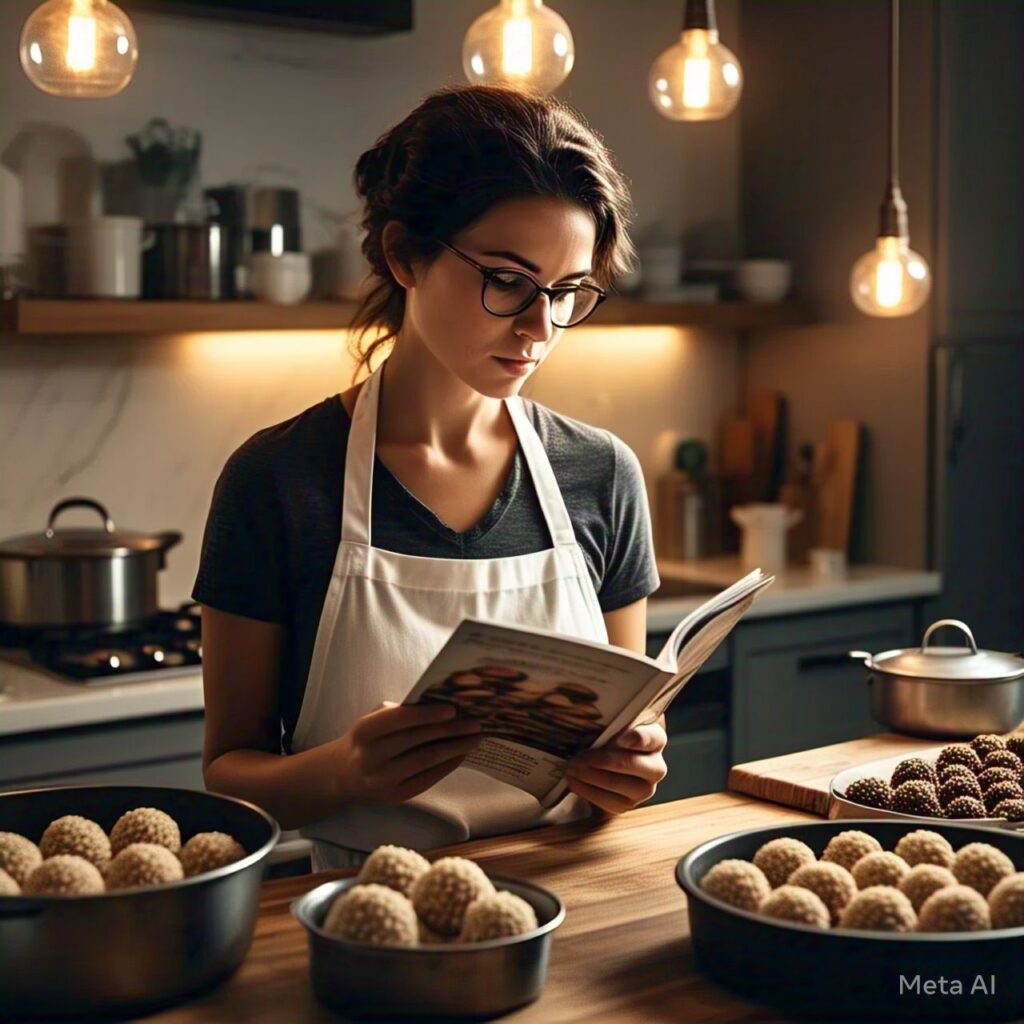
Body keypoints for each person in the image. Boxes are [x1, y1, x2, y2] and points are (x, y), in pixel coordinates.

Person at [193, 86, 667, 870]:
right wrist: (343, 772)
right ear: (404, 253)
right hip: (372, 917)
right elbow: (229, 777)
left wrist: (634, 769)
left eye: (566, 292)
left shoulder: (602, 474)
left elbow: (631, 737)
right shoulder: (277, 481)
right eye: (509, 280)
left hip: (583, 912)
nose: (539, 328)